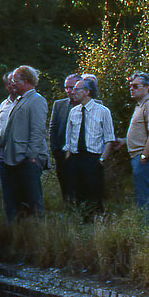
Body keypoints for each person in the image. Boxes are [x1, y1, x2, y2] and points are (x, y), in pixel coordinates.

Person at [62, 77, 116, 218]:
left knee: (94, 194)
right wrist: (68, 154)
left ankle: (97, 225)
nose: (73, 92)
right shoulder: (74, 112)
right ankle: (82, 224)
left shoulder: (103, 111)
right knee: (78, 194)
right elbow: (68, 137)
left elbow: (109, 138)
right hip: (75, 158)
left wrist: (102, 159)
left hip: (93, 159)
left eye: (76, 89)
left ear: (87, 92)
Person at [0, 66, 48, 219]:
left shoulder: (36, 100)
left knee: (33, 199)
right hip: (15, 158)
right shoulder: (22, 100)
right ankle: (20, 230)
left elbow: (37, 130)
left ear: (26, 81)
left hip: (27, 159)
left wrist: (32, 156)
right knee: (18, 199)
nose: (12, 84)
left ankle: (38, 232)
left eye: (16, 80)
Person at [125, 72, 149, 220]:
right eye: (130, 86)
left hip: (144, 158)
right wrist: (123, 141)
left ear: (147, 87)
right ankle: (146, 231)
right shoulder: (140, 105)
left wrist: (144, 155)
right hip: (138, 157)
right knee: (141, 196)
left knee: (145, 197)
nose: (132, 89)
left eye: (136, 86)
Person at [49, 74, 81, 204]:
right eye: (66, 88)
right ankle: (69, 211)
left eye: (72, 87)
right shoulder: (59, 105)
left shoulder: (93, 106)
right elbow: (53, 128)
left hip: (83, 155)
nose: (69, 91)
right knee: (65, 187)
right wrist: (55, 150)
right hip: (62, 155)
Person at [0, 71, 20, 220]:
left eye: (14, 82)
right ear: (6, 86)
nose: (12, 85)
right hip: (1, 151)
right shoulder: (4, 104)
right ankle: (10, 220)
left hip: (16, 151)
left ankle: (24, 220)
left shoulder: (22, 102)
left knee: (18, 186)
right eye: (9, 83)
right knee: (6, 188)